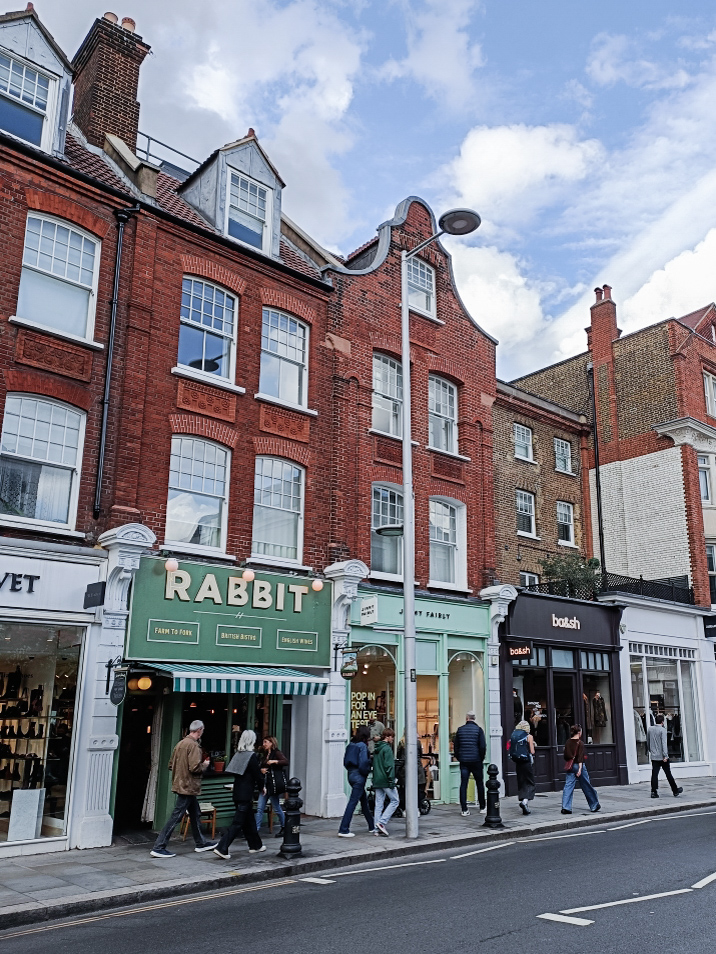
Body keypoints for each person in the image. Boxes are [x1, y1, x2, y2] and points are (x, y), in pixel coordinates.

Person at [151, 720, 217, 858]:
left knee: (195, 812)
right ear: (199, 730)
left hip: (180, 784)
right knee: (177, 816)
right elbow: (194, 767)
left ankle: (201, 843)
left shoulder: (180, 744)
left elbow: (170, 765)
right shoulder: (193, 746)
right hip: (188, 786)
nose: (202, 732)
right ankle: (159, 846)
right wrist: (204, 765)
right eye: (202, 730)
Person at [213, 730, 266, 859]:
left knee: (249, 821)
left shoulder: (238, 755)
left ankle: (255, 845)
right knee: (237, 823)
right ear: (252, 740)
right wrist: (262, 787)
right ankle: (222, 847)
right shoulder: (251, 756)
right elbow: (257, 775)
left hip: (237, 792)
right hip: (246, 794)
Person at [338, 725, 374, 837]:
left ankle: (372, 826)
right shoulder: (362, 746)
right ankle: (343, 829)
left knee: (364, 802)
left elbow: (345, 761)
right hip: (359, 776)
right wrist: (368, 769)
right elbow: (363, 763)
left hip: (351, 775)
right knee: (352, 803)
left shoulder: (351, 745)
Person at [561, 724, 600, 814]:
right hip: (579, 766)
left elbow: (566, 756)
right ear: (579, 733)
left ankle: (566, 807)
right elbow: (580, 758)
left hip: (570, 766)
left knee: (568, 786)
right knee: (586, 785)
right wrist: (579, 769)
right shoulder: (580, 743)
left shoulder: (568, 742)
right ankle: (594, 804)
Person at [453, 711, 486, 816]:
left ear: (466, 718)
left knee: (463, 784)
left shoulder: (460, 730)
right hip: (476, 760)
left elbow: (456, 747)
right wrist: (481, 758)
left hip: (464, 761)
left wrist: (459, 757)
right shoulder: (479, 730)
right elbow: (482, 747)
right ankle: (482, 806)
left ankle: (464, 809)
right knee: (479, 783)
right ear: (474, 718)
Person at [255, 736, 289, 837]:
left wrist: (274, 761)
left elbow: (285, 761)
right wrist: (261, 770)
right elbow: (261, 766)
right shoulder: (265, 754)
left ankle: (284, 826)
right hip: (265, 784)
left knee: (276, 807)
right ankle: (256, 830)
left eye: (265, 742)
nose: (264, 744)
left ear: (271, 743)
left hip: (273, 785)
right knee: (260, 808)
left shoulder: (276, 752)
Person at [648, 713, 683, 799]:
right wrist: (665, 756)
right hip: (662, 757)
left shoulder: (650, 729)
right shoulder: (662, 730)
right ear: (663, 722)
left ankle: (653, 791)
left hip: (654, 756)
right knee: (668, 774)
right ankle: (675, 790)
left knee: (654, 774)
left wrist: (651, 751)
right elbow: (664, 744)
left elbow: (648, 742)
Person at [373, 727, 399, 836]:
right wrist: (391, 781)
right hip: (385, 779)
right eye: (392, 737)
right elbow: (389, 766)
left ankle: (376, 828)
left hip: (377, 779)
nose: (392, 739)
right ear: (387, 737)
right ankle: (382, 823)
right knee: (395, 801)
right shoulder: (387, 749)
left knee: (379, 803)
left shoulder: (377, 748)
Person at [509, 719, 535, 815]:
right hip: (526, 762)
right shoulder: (529, 736)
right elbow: (532, 751)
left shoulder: (514, 735)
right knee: (530, 782)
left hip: (517, 762)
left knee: (522, 782)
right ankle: (524, 802)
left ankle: (523, 799)